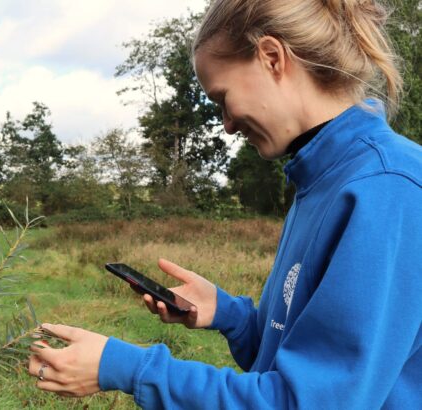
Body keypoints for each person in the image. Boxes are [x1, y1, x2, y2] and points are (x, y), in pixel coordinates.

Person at [28, 0, 422, 408]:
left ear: (272, 58)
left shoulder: (388, 190)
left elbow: (306, 401)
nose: (227, 125)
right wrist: (229, 315)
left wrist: (129, 367)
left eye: (221, 98)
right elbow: (289, 360)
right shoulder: (320, 181)